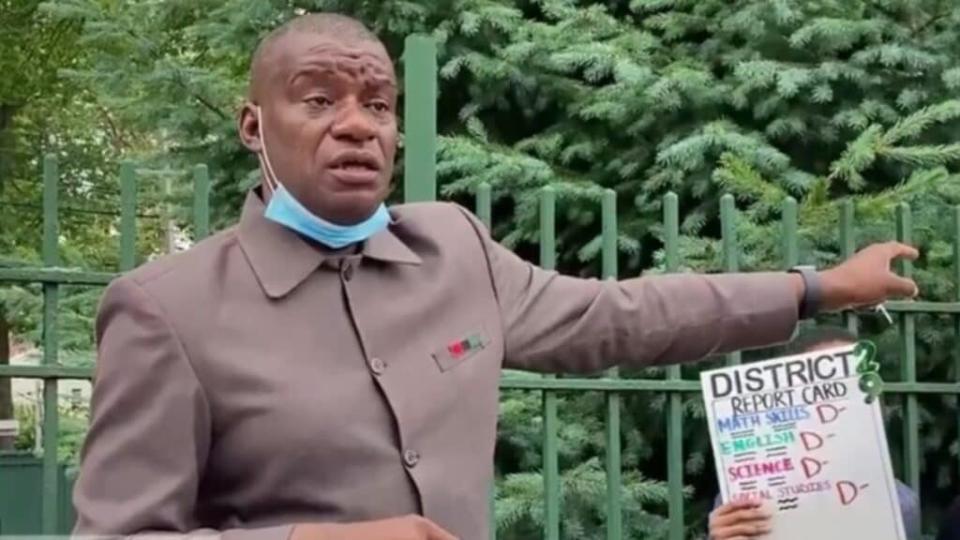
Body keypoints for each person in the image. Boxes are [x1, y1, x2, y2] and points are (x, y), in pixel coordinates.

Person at [71, 12, 920, 540]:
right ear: (254, 126)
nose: (357, 126)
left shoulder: (454, 249)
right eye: (319, 100)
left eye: (377, 103)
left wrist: (817, 289)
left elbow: (620, 316)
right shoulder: (167, 311)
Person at [707, 326, 922, 540]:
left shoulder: (900, 505)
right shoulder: (743, 506)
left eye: (850, 384)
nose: (833, 397)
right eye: (821, 385)